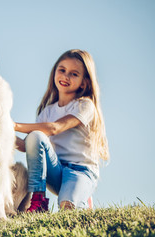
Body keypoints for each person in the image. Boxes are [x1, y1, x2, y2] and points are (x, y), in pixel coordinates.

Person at [14, 49, 109, 212]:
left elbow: (55, 128)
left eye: (74, 74)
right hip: (55, 169)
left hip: (80, 171)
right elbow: (28, 145)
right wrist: (1, 131)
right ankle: (38, 201)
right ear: (54, 72)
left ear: (84, 82)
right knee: (35, 136)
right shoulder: (47, 111)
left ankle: (82, 198)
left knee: (67, 208)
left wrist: (13, 125)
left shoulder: (85, 105)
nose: (66, 76)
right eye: (62, 70)